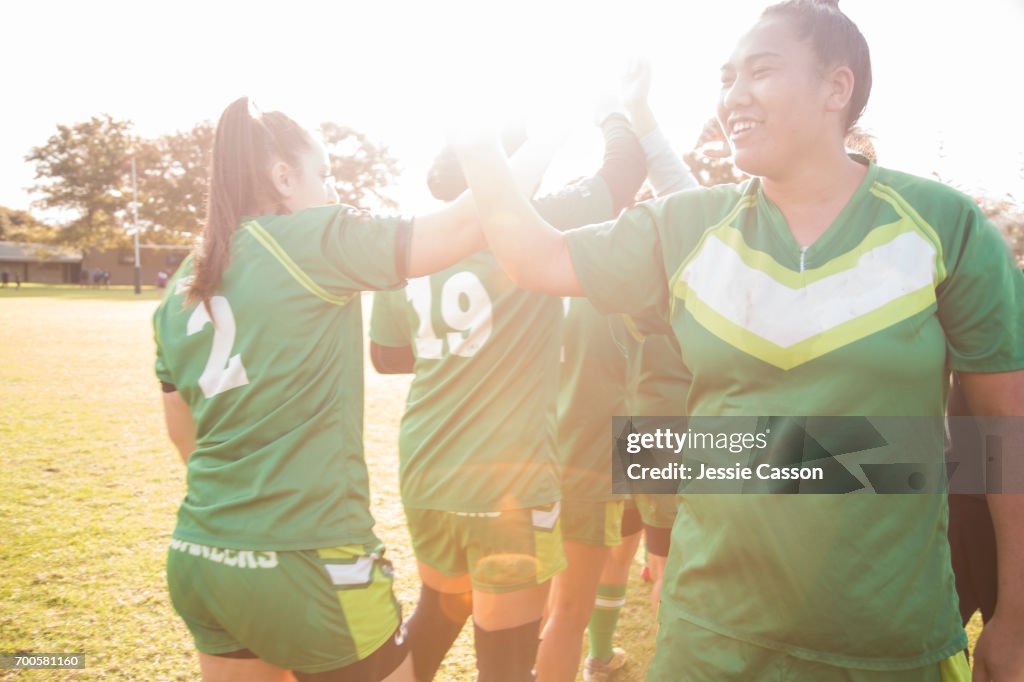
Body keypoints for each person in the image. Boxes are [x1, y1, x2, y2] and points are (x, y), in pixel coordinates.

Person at [455, 1, 1024, 679]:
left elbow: (1003, 435)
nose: (733, 96)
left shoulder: (944, 227)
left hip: (891, 650)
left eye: (760, 71)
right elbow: (533, 257)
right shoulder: (687, 225)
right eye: (725, 78)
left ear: (835, 88)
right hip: (708, 644)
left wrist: (1016, 615)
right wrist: (471, 127)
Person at [153, 96, 554, 682]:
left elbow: (181, 433)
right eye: (324, 174)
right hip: (312, 560)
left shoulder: (182, 285)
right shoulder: (311, 240)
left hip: (201, 555)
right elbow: (474, 221)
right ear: (284, 179)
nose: (332, 191)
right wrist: (554, 135)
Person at [370, 109, 646, 682]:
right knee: (506, 657)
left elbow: (387, 356)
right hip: (507, 482)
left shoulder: (412, 246)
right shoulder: (538, 219)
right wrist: (613, 111)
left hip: (426, 468)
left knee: (437, 613)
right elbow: (623, 173)